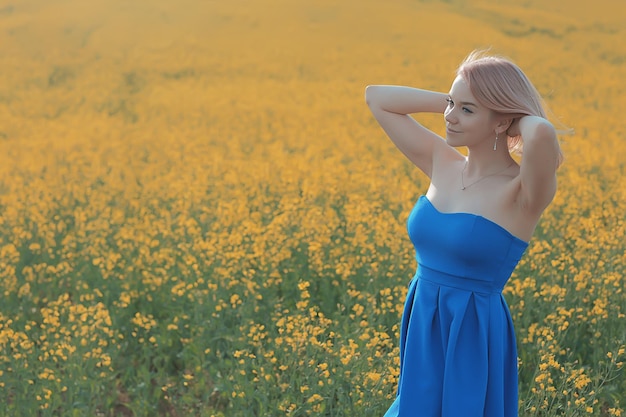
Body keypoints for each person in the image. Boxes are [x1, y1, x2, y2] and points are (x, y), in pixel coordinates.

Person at [365, 50, 563, 417]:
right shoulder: (441, 161)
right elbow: (377, 97)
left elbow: (543, 133)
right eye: (451, 105)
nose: (449, 118)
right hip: (423, 318)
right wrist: (461, 100)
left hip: (471, 330)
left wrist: (510, 116)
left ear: (504, 122)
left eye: (466, 111)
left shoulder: (522, 193)